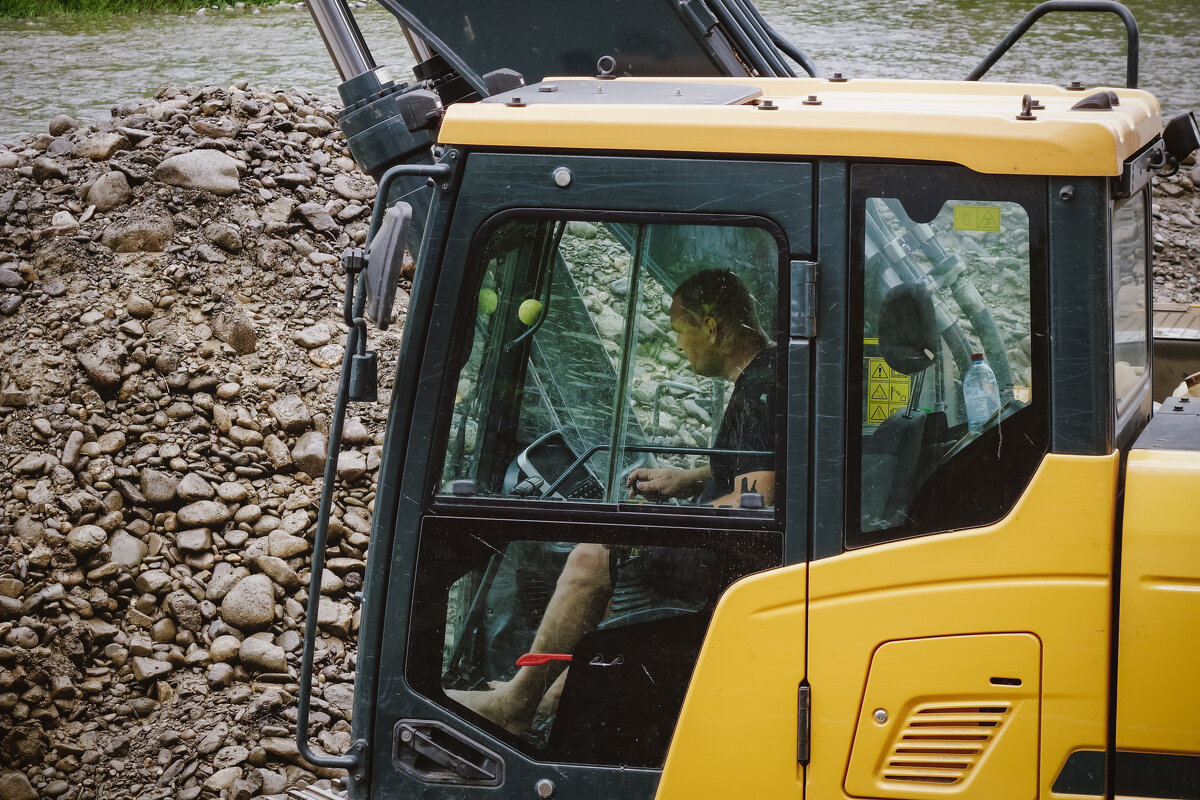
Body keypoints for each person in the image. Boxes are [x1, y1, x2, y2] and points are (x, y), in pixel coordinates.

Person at [447, 268, 776, 735]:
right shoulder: (768, 374)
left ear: (712, 327)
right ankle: (557, 694)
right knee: (621, 541)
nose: (679, 346)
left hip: (733, 558)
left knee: (591, 556)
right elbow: (757, 463)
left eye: (680, 331)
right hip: (728, 542)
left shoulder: (762, 387)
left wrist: (679, 521)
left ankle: (518, 703)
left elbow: (757, 498)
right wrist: (687, 479)